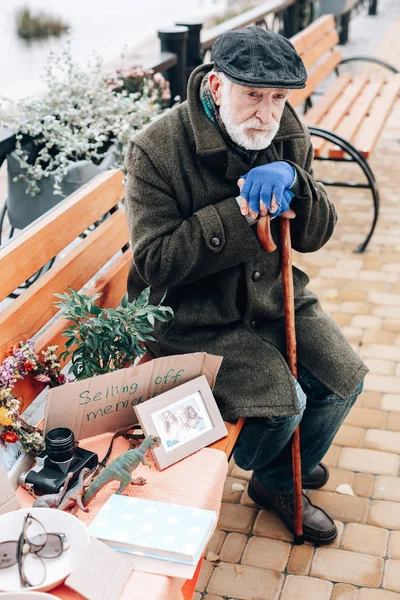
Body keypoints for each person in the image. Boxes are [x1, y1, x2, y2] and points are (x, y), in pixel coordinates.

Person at [124, 26, 368, 545]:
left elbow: (316, 236)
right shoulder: (155, 148)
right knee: (287, 404)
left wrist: (298, 182)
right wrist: (239, 215)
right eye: (252, 94)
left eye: (278, 97)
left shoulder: (286, 133)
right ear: (216, 86)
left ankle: (277, 479)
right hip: (192, 317)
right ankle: (278, 468)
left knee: (344, 380)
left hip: (274, 297)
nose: (267, 111)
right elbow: (154, 263)